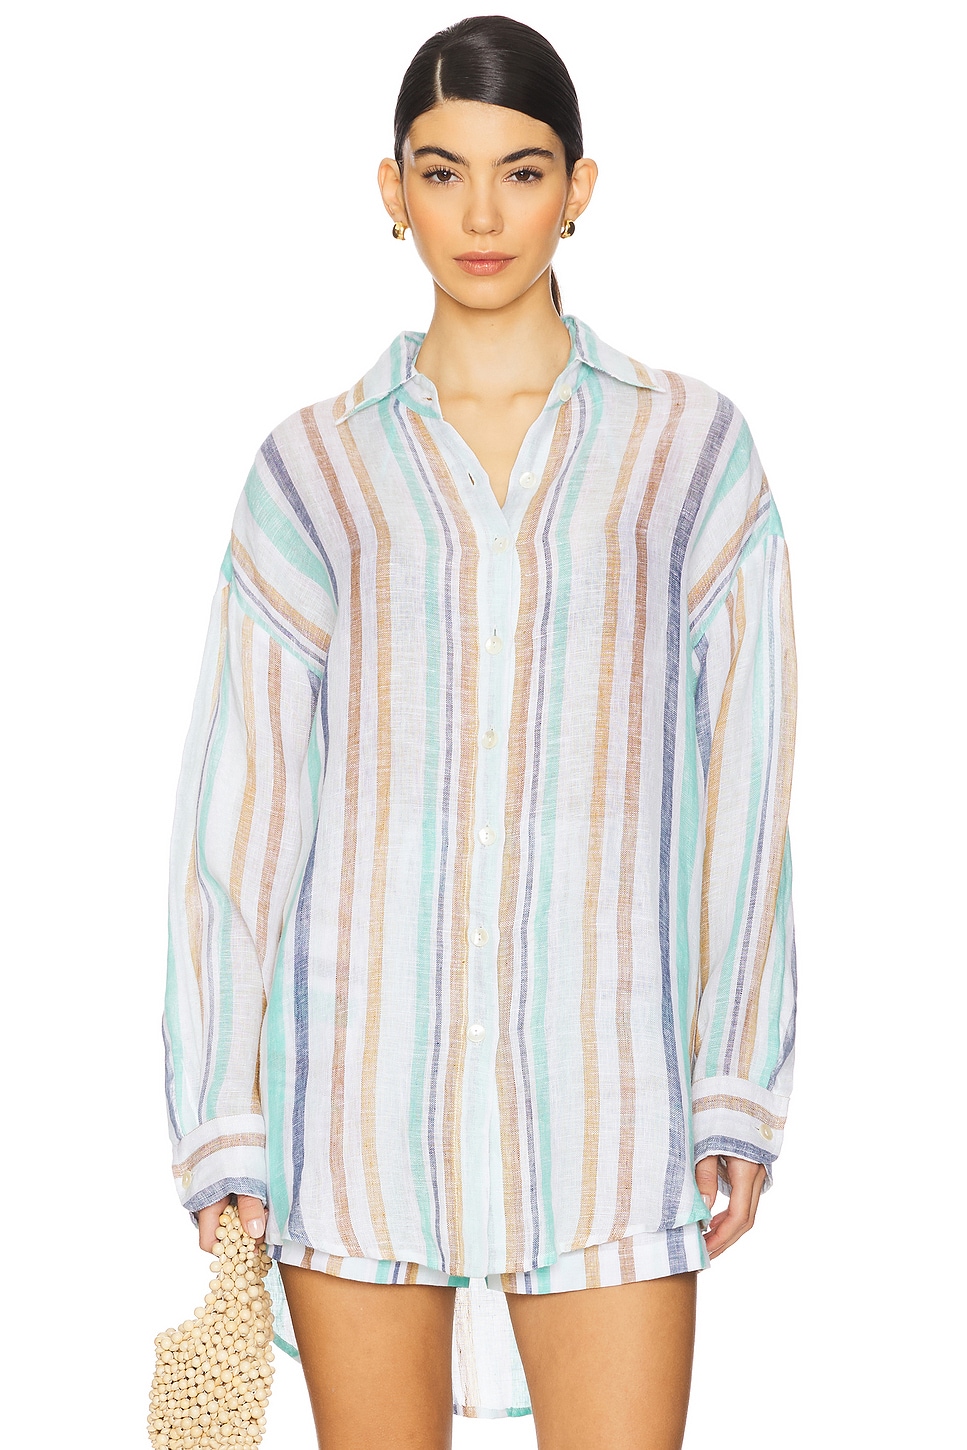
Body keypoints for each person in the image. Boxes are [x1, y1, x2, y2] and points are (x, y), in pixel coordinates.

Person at [161, 14, 798, 1449]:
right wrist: (221, 1114)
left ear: (581, 187)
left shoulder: (689, 453)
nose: (483, 214)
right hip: (353, 1110)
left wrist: (736, 1081)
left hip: (611, 1102)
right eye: (443, 172)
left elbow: (748, 790)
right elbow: (239, 810)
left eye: (522, 171)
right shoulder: (315, 470)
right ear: (392, 191)